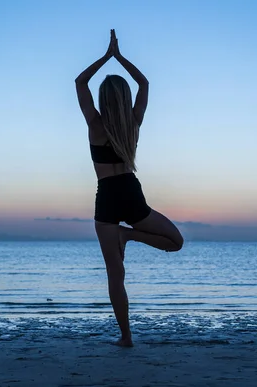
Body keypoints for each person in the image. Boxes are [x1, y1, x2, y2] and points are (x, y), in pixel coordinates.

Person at [75, 29, 184, 347]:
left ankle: (126, 337)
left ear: (103, 99)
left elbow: (80, 83)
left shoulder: (94, 124)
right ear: (123, 98)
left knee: (115, 275)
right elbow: (145, 84)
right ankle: (131, 235)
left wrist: (106, 57)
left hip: (106, 197)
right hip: (131, 194)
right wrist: (120, 58)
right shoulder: (134, 122)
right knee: (176, 242)